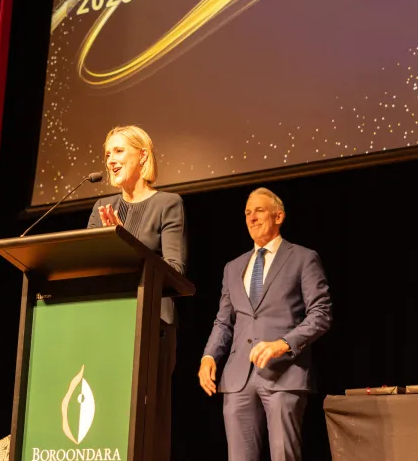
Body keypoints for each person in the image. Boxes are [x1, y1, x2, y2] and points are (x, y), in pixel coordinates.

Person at [199, 187, 332, 461]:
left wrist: (282, 344)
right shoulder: (232, 267)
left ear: (279, 216)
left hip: (284, 374)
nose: (252, 218)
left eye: (259, 210)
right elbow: (224, 321)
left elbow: (321, 314)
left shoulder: (303, 258)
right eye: (247, 213)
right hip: (238, 379)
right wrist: (209, 356)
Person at [86, 125, 186, 461]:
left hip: (152, 326)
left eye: (118, 151)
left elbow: (176, 271)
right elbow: (89, 266)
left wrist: (126, 239)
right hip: (108, 325)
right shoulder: (102, 207)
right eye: (108, 153)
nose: (110, 160)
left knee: (144, 422)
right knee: (106, 417)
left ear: (142, 156)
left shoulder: (168, 205)